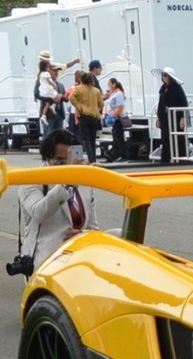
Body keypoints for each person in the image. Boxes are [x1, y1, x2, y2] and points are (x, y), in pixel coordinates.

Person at [17, 129, 100, 270]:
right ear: (48, 157)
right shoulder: (30, 180)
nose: (67, 164)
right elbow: (39, 212)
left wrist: (82, 236)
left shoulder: (85, 183)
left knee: (120, 235)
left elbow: (93, 228)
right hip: (46, 257)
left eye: (70, 159)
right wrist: (65, 182)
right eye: (61, 160)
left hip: (80, 254)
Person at [153, 67, 188, 163]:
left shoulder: (177, 88)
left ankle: (180, 157)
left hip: (175, 117)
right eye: (162, 75)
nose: (163, 77)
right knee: (165, 138)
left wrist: (183, 118)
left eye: (165, 75)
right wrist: (159, 117)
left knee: (177, 137)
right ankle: (166, 159)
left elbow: (183, 103)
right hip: (165, 118)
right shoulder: (163, 88)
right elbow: (161, 103)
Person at [68, 69, 103, 160]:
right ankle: (94, 158)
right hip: (94, 116)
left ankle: (91, 160)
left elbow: (71, 97)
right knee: (93, 139)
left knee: (86, 139)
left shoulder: (78, 89)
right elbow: (101, 104)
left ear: (81, 80)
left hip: (83, 115)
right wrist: (96, 107)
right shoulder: (96, 90)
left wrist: (79, 106)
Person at [105, 77, 129, 161]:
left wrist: (113, 115)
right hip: (113, 117)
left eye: (110, 84)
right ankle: (117, 154)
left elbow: (120, 106)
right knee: (116, 137)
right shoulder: (113, 93)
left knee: (119, 137)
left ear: (114, 84)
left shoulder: (119, 94)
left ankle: (123, 155)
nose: (109, 86)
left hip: (117, 118)